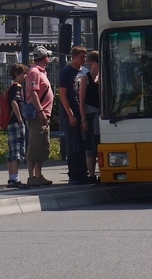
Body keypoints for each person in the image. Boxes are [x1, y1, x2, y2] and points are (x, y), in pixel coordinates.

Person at [58, 46, 90, 184]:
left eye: (85, 57)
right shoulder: (66, 73)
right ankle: (73, 174)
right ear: (74, 57)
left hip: (84, 113)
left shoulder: (85, 72)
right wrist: (70, 114)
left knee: (84, 145)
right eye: (81, 57)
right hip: (73, 113)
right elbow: (63, 95)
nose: (84, 59)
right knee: (73, 145)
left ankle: (84, 172)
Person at [25, 46, 54, 187]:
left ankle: (38, 174)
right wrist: (41, 110)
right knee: (35, 145)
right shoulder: (34, 72)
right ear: (45, 58)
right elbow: (33, 93)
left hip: (43, 114)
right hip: (38, 115)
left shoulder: (41, 72)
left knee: (43, 145)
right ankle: (31, 176)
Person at [80, 50, 102, 183]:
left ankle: (102, 172)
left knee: (100, 144)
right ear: (92, 62)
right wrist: (83, 119)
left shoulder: (103, 77)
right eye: (98, 62)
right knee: (91, 146)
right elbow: (82, 100)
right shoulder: (85, 78)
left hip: (101, 115)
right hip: (89, 115)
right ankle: (92, 174)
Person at [5, 63, 28, 189]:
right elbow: (14, 102)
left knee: (11, 150)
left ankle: (11, 177)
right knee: (17, 150)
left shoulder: (10, 86)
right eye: (23, 73)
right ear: (16, 74)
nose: (25, 76)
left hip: (10, 122)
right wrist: (20, 119)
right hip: (15, 122)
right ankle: (15, 177)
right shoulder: (17, 87)